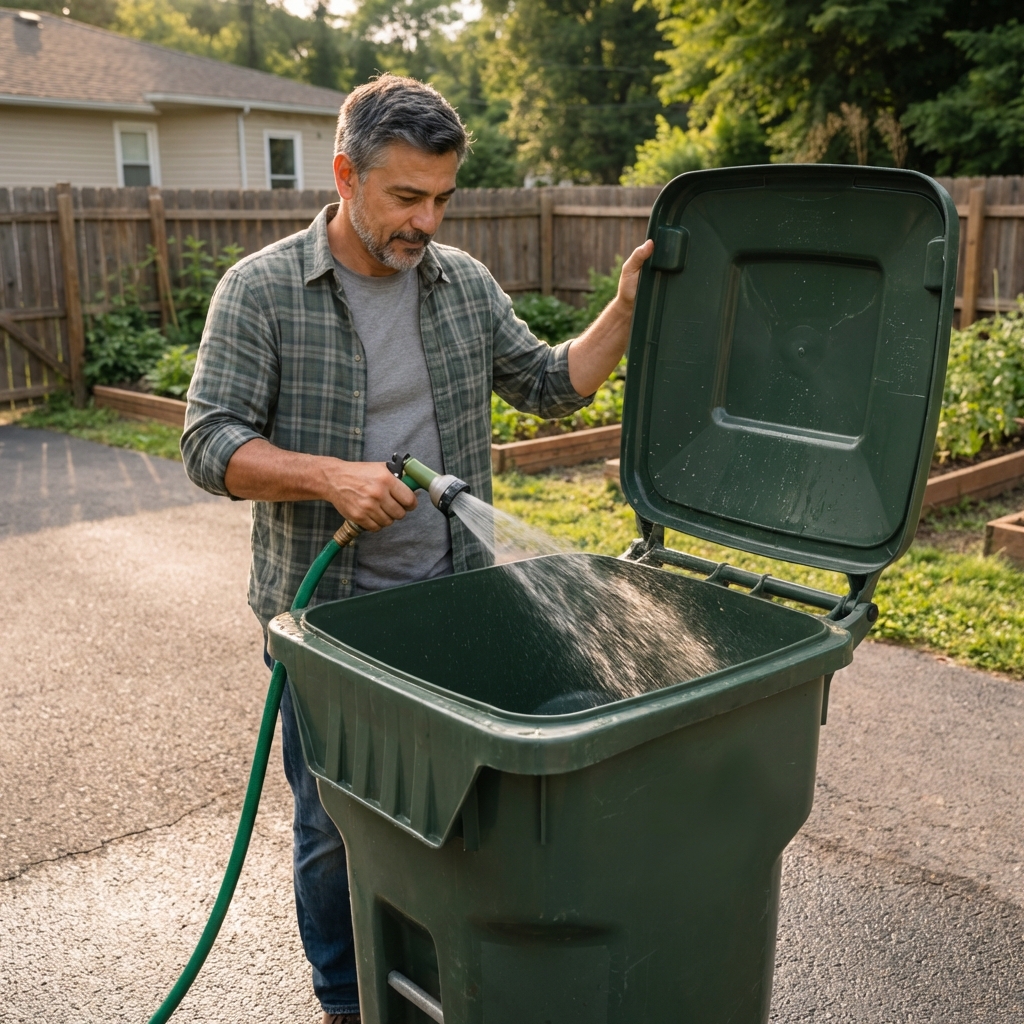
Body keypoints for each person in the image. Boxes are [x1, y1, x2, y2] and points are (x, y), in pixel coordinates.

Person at [181, 73, 653, 1023]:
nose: (427, 220)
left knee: (449, 817)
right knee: (333, 825)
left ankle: (437, 976)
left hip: (451, 604)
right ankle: (347, 1001)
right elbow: (208, 443)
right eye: (406, 197)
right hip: (329, 621)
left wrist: (627, 307)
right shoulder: (264, 291)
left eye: (442, 198)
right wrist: (330, 476)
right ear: (346, 174)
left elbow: (552, 385)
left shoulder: (461, 284)